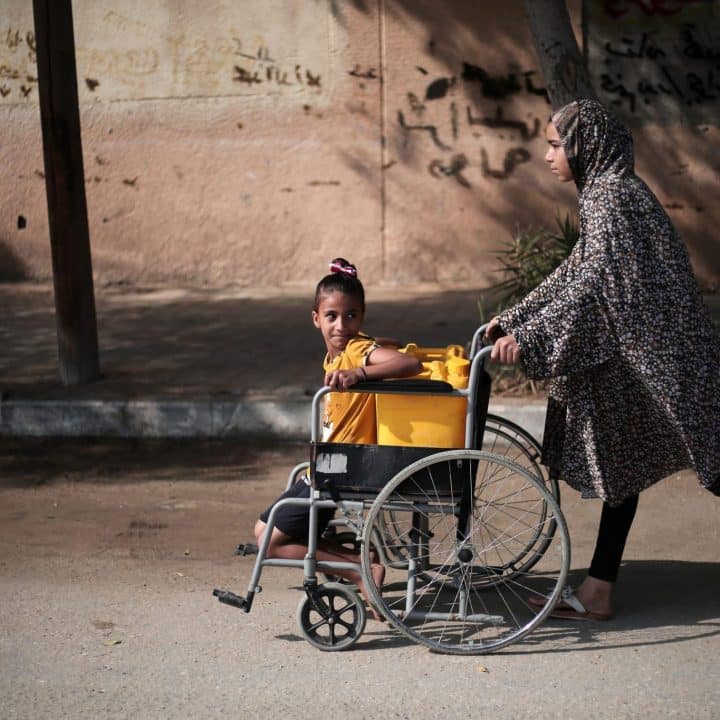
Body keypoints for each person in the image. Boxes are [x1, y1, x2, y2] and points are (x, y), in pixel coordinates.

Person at [486, 99, 720, 621]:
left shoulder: (611, 196)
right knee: (624, 464)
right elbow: (579, 270)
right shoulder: (605, 191)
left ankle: (598, 589)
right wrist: (518, 316)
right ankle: (598, 589)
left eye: (555, 144)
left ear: (584, 145)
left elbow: (594, 290)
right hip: (641, 354)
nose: (548, 155)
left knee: (711, 455)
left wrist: (532, 339)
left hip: (663, 357)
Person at [254, 258, 422, 619]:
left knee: (267, 539)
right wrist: (374, 348)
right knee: (264, 529)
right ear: (316, 317)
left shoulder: (356, 352)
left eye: (351, 316)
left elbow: (410, 365)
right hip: (331, 463)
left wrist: (361, 372)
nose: (340, 325)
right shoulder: (336, 355)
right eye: (331, 316)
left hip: (344, 468)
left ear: (361, 316)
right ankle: (357, 562)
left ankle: (357, 569)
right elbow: (382, 347)